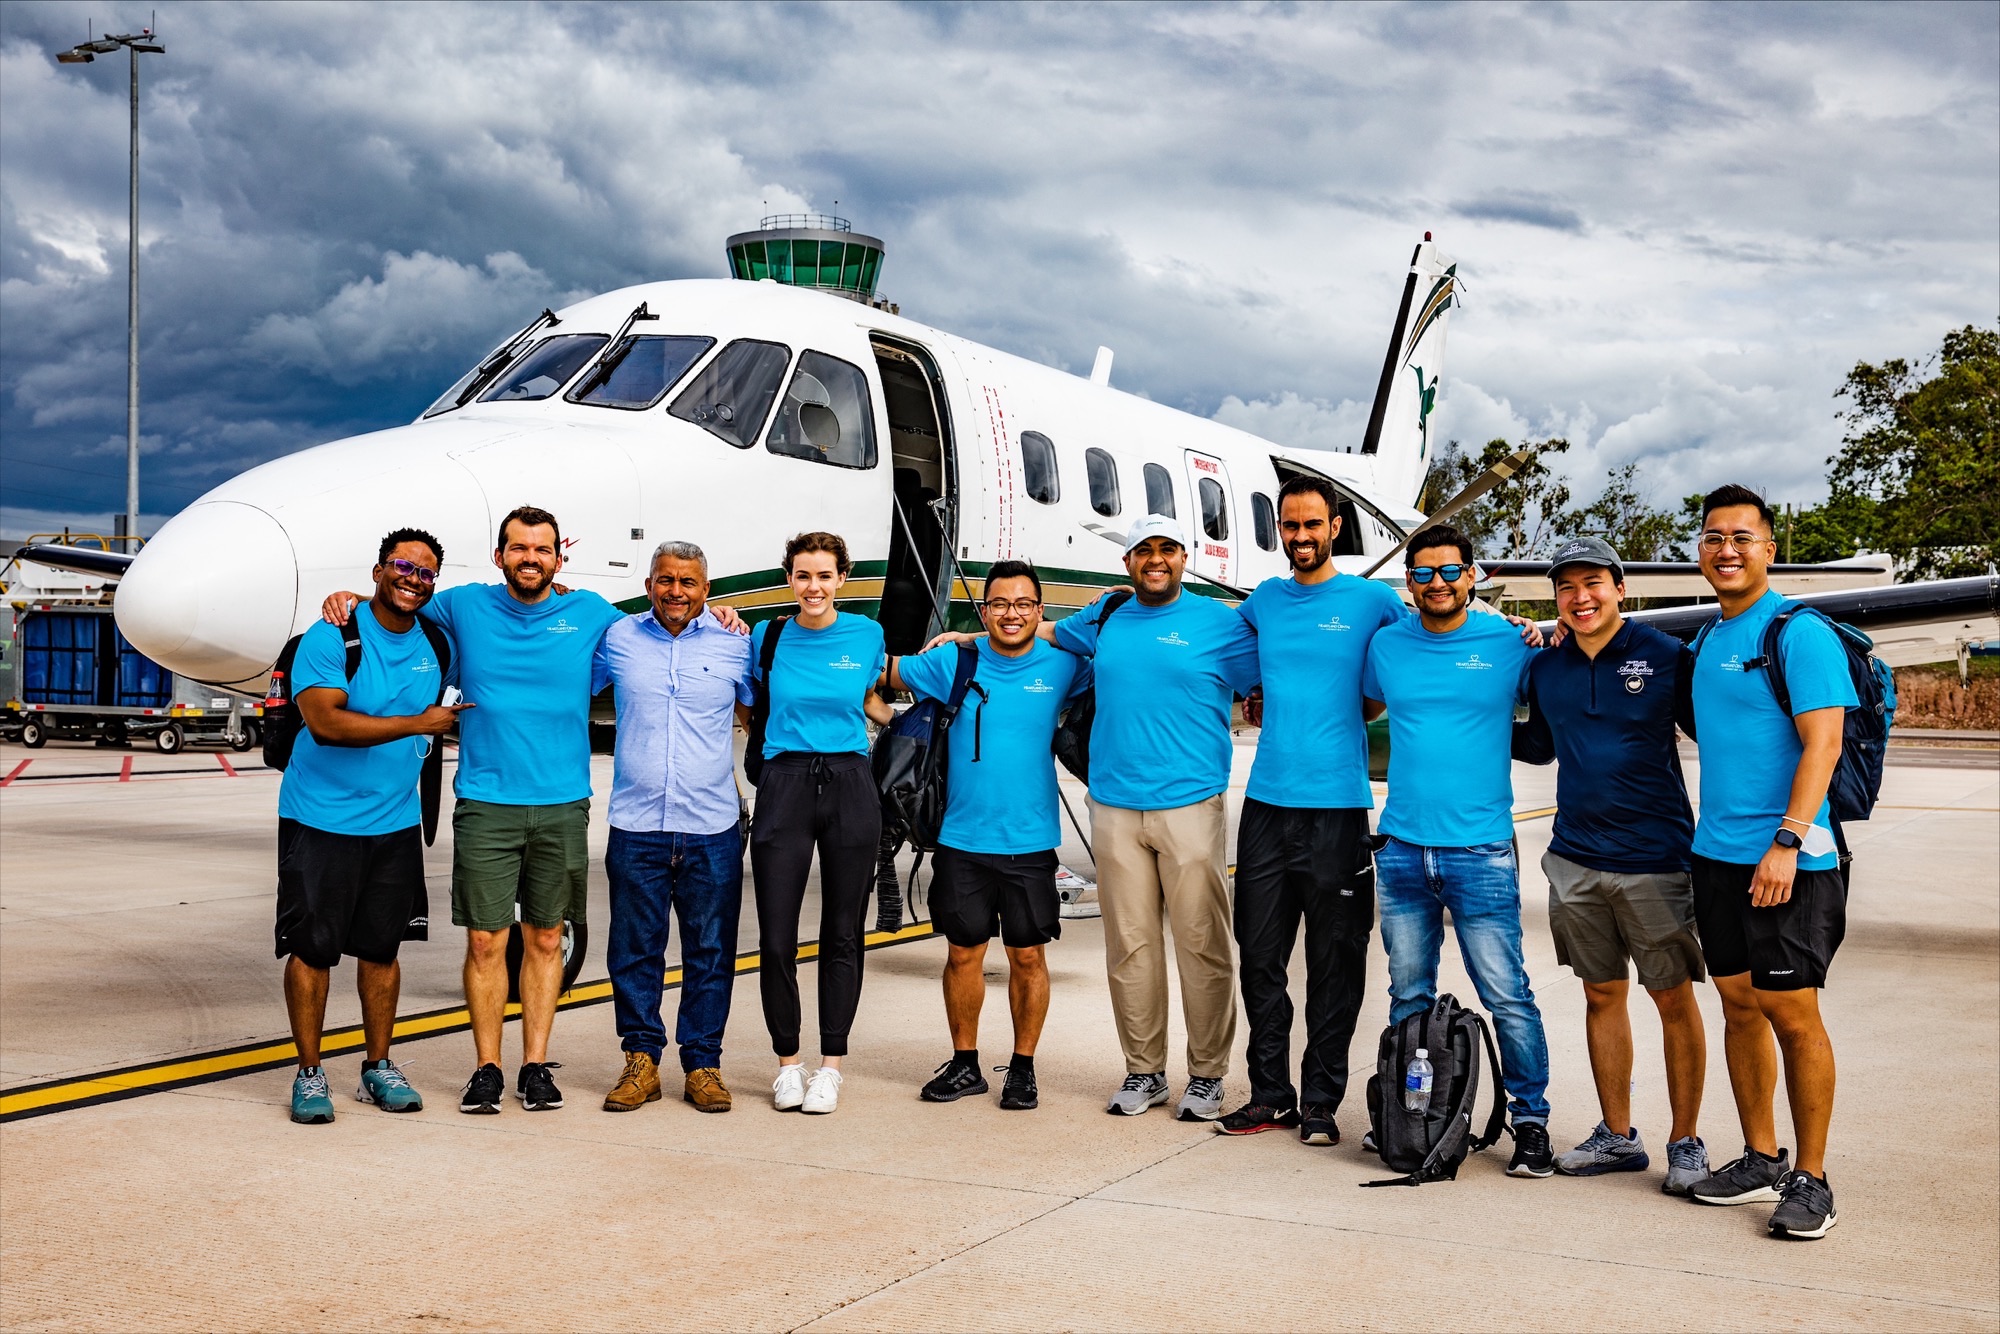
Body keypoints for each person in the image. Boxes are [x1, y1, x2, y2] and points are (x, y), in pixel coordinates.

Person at [1512, 536, 1712, 1193]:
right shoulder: (1547, 668)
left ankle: (1686, 1141)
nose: (1581, 597)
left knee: (1672, 997)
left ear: (1620, 588)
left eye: (1593, 583)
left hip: (1656, 859)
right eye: (1566, 587)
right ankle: (1618, 1137)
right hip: (1575, 859)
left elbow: (1718, 732)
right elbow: (1538, 746)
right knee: (1601, 994)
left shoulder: (1667, 655)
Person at [1682, 485, 1854, 1240]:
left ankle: (1812, 1179)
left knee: (1793, 1012)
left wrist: (1786, 841)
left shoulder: (1799, 632)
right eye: (1714, 537)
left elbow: (1825, 743)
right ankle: (1760, 1156)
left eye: (1741, 537)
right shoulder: (1707, 638)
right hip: (1715, 855)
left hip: (1790, 859)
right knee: (1739, 1005)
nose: (1727, 550)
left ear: (1769, 549)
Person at [1046, 514, 1260, 1121]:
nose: (1156, 559)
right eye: (1144, 550)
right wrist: (964, 641)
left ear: (1185, 558)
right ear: (1128, 561)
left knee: (1202, 944)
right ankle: (1145, 1071)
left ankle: (1208, 1075)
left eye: (1168, 549)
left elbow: (1277, 675)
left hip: (1190, 803)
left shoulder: (1220, 622)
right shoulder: (1107, 615)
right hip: (1113, 806)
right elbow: (1042, 631)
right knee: (1130, 947)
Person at [1215, 476, 1407, 1146]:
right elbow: (1228, 655)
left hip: (1338, 810)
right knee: (1259, 957)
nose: (1301, 536)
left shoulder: (1373, 601)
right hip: (1266, 806)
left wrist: (1515, 631)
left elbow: (1425, 645)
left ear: (1334, 528)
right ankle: (1271, 1094)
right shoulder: (1264, 601)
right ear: (1281, 530)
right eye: (1290, 525)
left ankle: (1322, 1101)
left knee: (1335, 963)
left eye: (1312, 524)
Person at [1360, 523, 1556, 1178]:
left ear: (1473, 576)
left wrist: (1547, 633)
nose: (1437, 583)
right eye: (1423, 573)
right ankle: (1412, 1116)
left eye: (1450, 571)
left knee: (1507, 995)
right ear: (1409, 581)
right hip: (1402, 849)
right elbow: (1359, 704)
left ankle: (1531, 1122)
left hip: (1480, 850)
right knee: (1407, 994)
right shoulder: (1387, 645)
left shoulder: (1509, 643)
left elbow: (1557, 686)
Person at [881, 559, 1089, 1112]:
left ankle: (1023, 1069)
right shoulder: (953, 661)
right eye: (998, 604)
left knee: (1028, 957)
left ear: (1040, 611)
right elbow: (881, 671)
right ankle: (965, 1064)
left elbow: (1114, 642)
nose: (1010, 614)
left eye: (1022, 604)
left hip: (1030, 841)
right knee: (962, 955)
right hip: (961, 840)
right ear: (984, 610)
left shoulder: (1065, 665)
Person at [277, 529, 465, 1124]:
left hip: (395, 822)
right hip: (321, 819)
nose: (414, 579)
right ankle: (310, 1073)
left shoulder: (437, 640)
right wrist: (418, 724)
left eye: (426, 573)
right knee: (313, 951)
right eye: (403, 567)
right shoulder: (331, 635)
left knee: (383, 950)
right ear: (379, 569)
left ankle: (377, 1067)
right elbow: (326, 723)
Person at [593, 541, 755, 1115]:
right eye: (666, 580)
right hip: (636, 824)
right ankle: (641, 1061)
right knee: (634, 951)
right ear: (649, 586)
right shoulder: (616, 639)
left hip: (712, 826)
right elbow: (564, 677)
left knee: (711, 950)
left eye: (688, 582)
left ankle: (703, 1064)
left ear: (707, 589)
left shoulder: (737, 643)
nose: (676, 591)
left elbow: (758, 713)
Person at [750, 531, 894, 1116]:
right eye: (803, 575)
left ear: (842, 579)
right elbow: (750, 702)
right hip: (783, 780)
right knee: (775, 936)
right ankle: (788, 1064)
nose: (813, 586)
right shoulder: (767, 635)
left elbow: (870, 699)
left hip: (849, 781)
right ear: (789, 578)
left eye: (824, 575)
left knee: (843, 932)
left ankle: (831, 1066)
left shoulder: (866, 633)